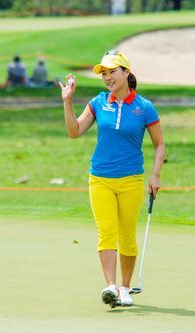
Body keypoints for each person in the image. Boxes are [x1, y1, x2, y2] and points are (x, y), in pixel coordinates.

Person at [59, 50, 165, 307]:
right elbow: (74, 132)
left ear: (126, 73)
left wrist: (155, 175)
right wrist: (68, 101)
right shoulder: (97, 103)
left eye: (112, 72)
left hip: (130, 180)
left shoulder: (144, 107)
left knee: (127, 236)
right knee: (106, 234)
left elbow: (160, 144)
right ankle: (110, 287)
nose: (107, 77)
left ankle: (125, 288)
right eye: (103, 73)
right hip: (100, 179)